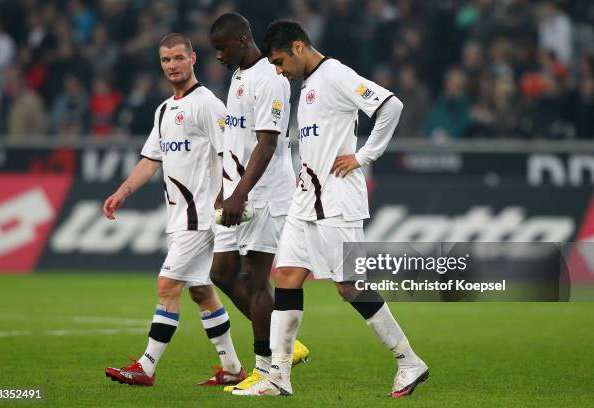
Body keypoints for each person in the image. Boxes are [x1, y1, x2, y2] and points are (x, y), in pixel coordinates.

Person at [234, 21, 428, 398]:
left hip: (339, 203)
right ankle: (279, 377)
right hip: (305, 202)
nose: (277, 70)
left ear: (298, 47)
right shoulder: (307, 85)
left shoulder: (335, 74)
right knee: (287, 276)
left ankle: (408, 361)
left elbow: (391, 105)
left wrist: (363, 156)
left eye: (279, 61)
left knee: (350, 286)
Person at [103, 33, 245, 387]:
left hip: (201, 215)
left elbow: (230, 151)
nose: (172, 65)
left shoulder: (207, 103)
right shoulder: (165, 109)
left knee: (168, 285)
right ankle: (232, 368)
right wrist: (123, 191)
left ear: (193, 59)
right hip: (181, 215)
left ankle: (146, 367)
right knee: (200, 291)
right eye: (166, 60)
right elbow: (151, 159)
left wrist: (226, 197)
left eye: (178, 58)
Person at [207, 13, 309, 392]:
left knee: (254, 278)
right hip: (240, 190)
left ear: (242, 39)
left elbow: (266, 144)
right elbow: (236, 140)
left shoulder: (271, 78)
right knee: (220, 273)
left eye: (222, 48)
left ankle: (266, 369)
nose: (218, 56)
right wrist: (225, 187)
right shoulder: (238, 74)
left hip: (265, 194)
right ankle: (285, 344)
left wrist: (240, 192)